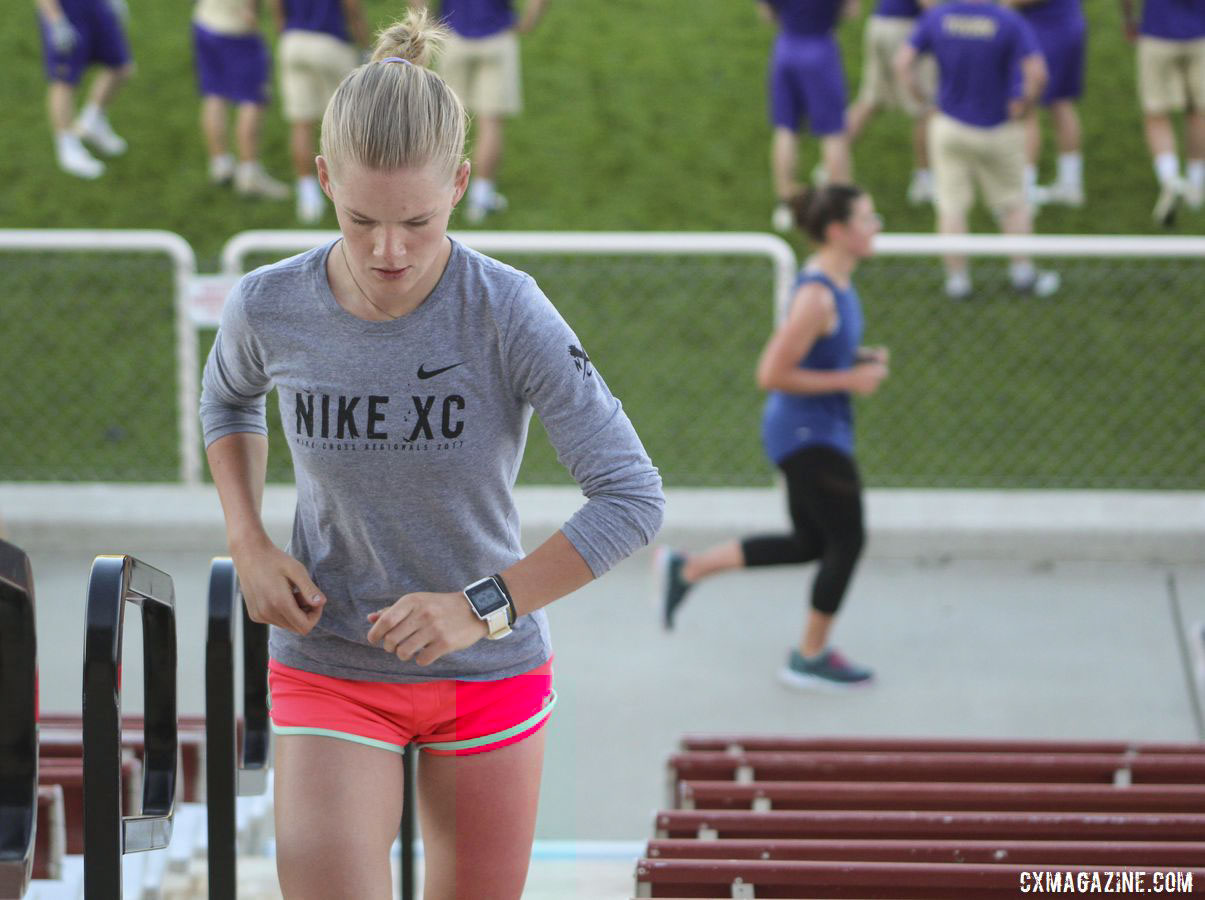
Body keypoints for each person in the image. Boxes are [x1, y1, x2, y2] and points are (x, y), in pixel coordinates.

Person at [199, 11, 664, 899]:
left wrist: (480, 608)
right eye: (360, 218)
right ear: (324, 175)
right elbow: (227, 396)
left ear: (458, 184)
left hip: (487, 668)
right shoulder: (268, 303)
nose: (387, 252)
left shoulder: (507, 308)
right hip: (331, 661)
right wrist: (248, 541)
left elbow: (631, 497)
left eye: (415, 221)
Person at [657, 184, 886, 691]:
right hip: (807, 436)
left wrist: (854, 361)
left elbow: (815, 356)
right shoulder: (816, 296)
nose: (877, 228)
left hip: (814, 430)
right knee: (847, 539)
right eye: (869, 219)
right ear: (837, 232)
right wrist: (849, 380)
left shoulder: (838, 285)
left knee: (810, 541)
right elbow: (771, 373)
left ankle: (688, 569)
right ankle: (809, 656)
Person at [895, 0, 1059, 300]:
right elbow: (1039, 74)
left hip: (949, 127)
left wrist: (923, 101)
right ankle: (1022, 273)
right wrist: (1026, 106)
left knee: (951, 207)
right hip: (1000, 127)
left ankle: (957, 281)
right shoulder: (1008, 21)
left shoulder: (939, 17)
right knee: (1013, 204)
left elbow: (903, 62)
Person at [408, 0, 551, 224]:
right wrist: (529, 20)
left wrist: (424, 18)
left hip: (454, 34)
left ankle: (438, 192)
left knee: (447, 119)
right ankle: (481, 197)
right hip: (496, 36)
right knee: (490, 123)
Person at [759, 0, 859, 232]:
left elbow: (767, 14)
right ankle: (840, 206)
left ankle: (786, 202)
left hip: (786, 46)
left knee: (786, 129)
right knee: (833, 132)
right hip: (821, 48)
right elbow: (851, 12)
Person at [270, 0, 369, 223]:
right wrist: (364, 44)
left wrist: (283, 29)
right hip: (330, 41)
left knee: (301, 123)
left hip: (293, 41)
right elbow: (352, 9)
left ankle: (308, 194)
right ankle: (351, 191)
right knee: (345, 124)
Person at [846, 0, 940, 206]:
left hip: (880, 24)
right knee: (925, 107)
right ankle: (924, 179)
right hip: (905, 30)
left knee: (870, 99)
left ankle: (832, 163)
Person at [193, 0, 290, 199]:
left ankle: (220, 164)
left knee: (215, 94)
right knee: (252, 99)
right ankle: (249, 174)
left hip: (204, 19)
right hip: (237, 27)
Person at [1120, 0, 1205, 225]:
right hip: (1200, 32)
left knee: (1156, 113)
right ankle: (1196, 186)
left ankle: (1171, 180)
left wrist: (1128, 18)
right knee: (1198, 112)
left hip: (1158, 31)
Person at [34, 0, 133, 180]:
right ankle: (67, 145)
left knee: (121, 68)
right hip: (66, 11)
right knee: (64, 81)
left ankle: (92, 121)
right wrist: (56, 20)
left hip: (97, 5)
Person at [1006, 0, 1087, 208]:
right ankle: (1070, 183)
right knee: (1061, 104)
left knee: (1027, 107)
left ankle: (1023, 192)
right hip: (1066, 24)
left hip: (1047, 30)